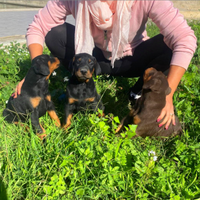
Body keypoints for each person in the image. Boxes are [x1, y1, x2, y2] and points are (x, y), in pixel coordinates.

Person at [13, 0, 197, 130]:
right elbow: (38, 26)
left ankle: (137, 91)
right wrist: (35, 76)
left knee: (169, 46)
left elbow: (185, 38)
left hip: (132, 58)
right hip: (94, 59)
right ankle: (80, 80)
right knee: (55, 34)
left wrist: (168, 93)